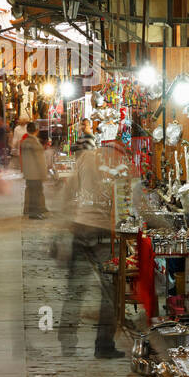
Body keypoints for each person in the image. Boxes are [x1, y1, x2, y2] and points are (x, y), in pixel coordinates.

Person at [57, 141, 122, 358]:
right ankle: (104, 345)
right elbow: (123, 202)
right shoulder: (116, 167)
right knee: (110, 290)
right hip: (101, 231)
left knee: (76, 288)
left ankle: (66, 342)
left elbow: (69, 191)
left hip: (81, 226)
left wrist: (67, 219)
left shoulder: (86, 158)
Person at [20, 121, 48, 218]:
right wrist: (44, 174)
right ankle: (35, 213)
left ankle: (31, 211)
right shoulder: (34, 142)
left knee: (31, 193)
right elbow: (40, 160)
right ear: (36, 131)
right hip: (35, 173)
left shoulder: (24, 142)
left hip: (28, 173)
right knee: (36, 193)